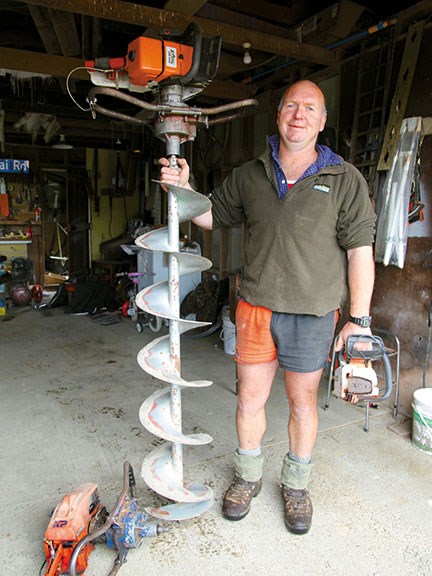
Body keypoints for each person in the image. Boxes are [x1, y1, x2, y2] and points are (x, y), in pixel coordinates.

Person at [159, 80, 376, 535]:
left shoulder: (344, 179)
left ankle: (296, 484)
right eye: (291, 106)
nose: (299, 115)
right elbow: (211, 216)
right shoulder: (250, 174)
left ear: (321, 121)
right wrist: (184, 187)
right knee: (250, 399)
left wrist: (358, 320)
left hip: (312, 313)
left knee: (302, 405)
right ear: (279, 115)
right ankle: (248, 476)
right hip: (256, 308)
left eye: (310, 108)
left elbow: (360, 253)